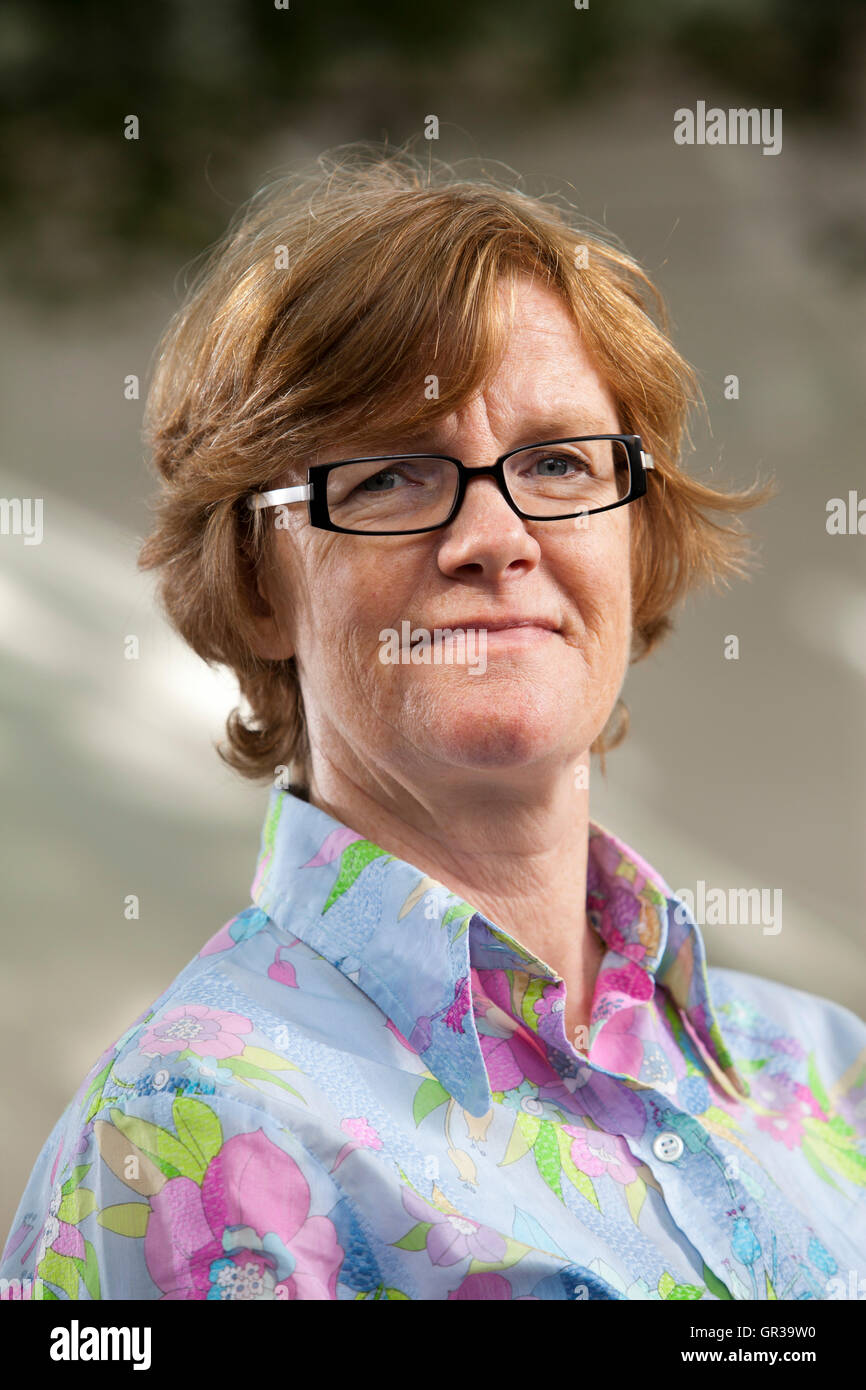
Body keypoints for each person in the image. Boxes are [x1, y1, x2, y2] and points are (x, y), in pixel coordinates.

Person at [3, 145, 864, 1302]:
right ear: (258, 584)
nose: (494, 536)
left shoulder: (822, 1071)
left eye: (555, 462)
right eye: (392, 477)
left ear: (635, 535)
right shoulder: (183, 1136)